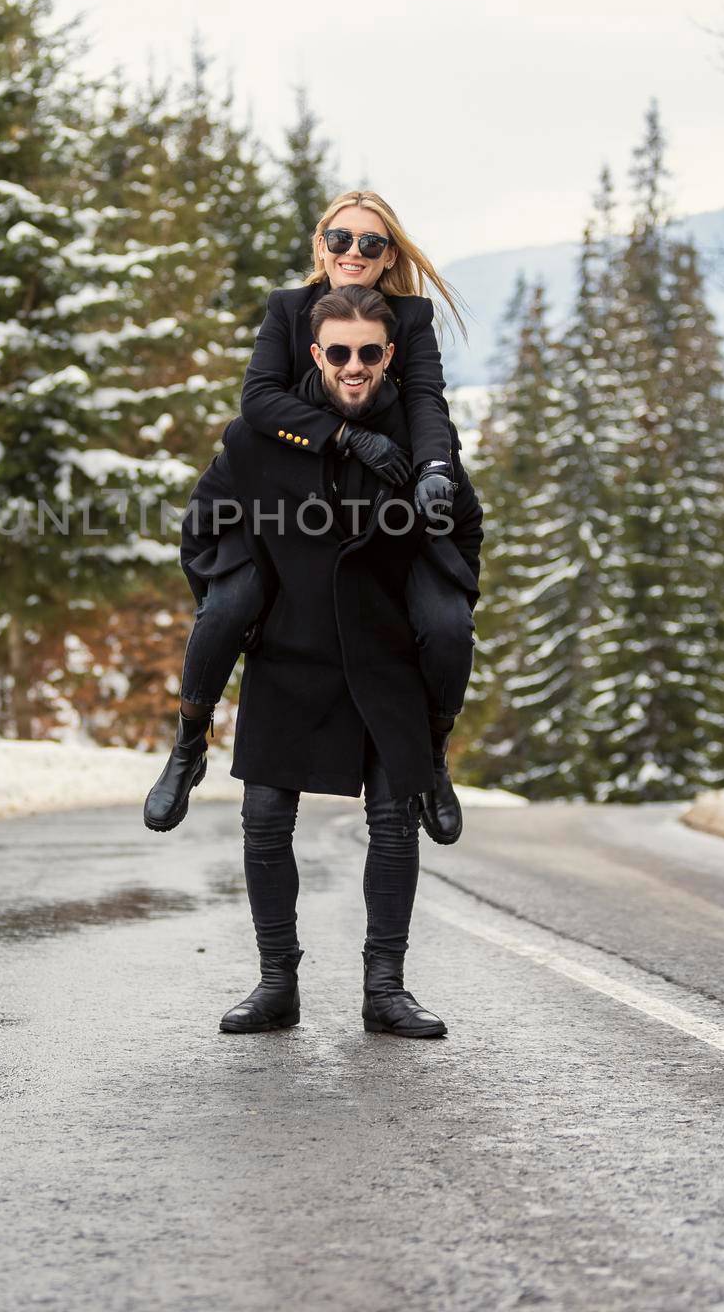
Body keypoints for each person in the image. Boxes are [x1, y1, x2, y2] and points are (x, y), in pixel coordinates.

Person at [152, 284, 484, 1035]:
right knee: (265, 821)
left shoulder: (422, 438)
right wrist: (244, 596)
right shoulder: (257, 437)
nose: (354, 366)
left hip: (383, 654)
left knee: (394, 823)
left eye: (369, 353)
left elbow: (465, 524)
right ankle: (276, 984)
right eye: (339, 353)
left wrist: (445, 588)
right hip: (292, 653)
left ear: (389, 354)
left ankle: (385, 990)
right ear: (315, 354)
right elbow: (199, 527)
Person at [144, 188, 477, 844]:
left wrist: (435, 469)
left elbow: (426, 404)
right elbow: (259, 401)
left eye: (370, 243)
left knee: (446, 627)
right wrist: (345, 437)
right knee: (227, 609)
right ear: (320, 245)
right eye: (340, 239)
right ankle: (187, 744)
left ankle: (434, 756)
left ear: (386, 258)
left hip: (371, 501)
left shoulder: (409, 319)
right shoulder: (286, 309)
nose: (352, 252)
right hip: (272, 493)